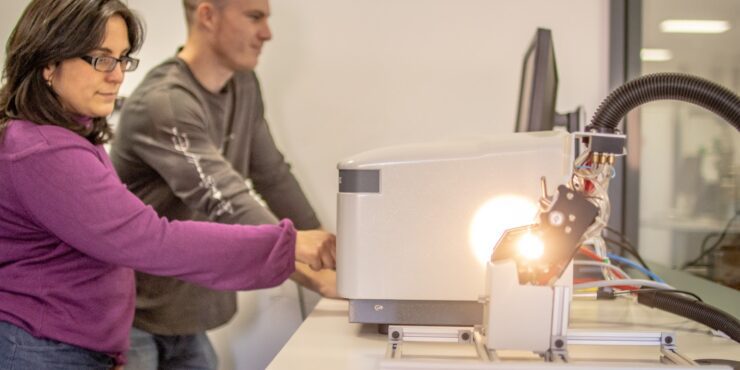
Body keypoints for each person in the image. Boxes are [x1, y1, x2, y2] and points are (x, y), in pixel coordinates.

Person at [0, 0, 335, 369]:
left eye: (122, 58)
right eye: (101, 59)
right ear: (48, 63)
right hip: (50, 347)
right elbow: (151, 238)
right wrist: (292, 248)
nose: (117, 75)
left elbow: (272, 174)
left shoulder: (68, 137)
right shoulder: (42, 150)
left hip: (94, 341)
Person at [108, 0, 338, 368]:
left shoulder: (243, 85)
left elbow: (272, 175)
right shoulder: (164, 103)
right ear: (207, 16)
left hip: (188, 315)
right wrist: (317, 274)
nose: (267, 33)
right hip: (132, 317)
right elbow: (225, 199)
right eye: (254, 17)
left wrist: (335, 255)